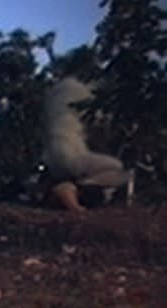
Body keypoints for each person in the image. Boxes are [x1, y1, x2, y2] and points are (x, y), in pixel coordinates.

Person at [41, 62, 132, 212]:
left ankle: (71, 190)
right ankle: (78, 187)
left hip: (51, 153)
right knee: (119, 168)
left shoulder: (53, 92)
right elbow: (99, 123)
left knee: (73, 170)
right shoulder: (84, 93)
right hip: (71, 150)